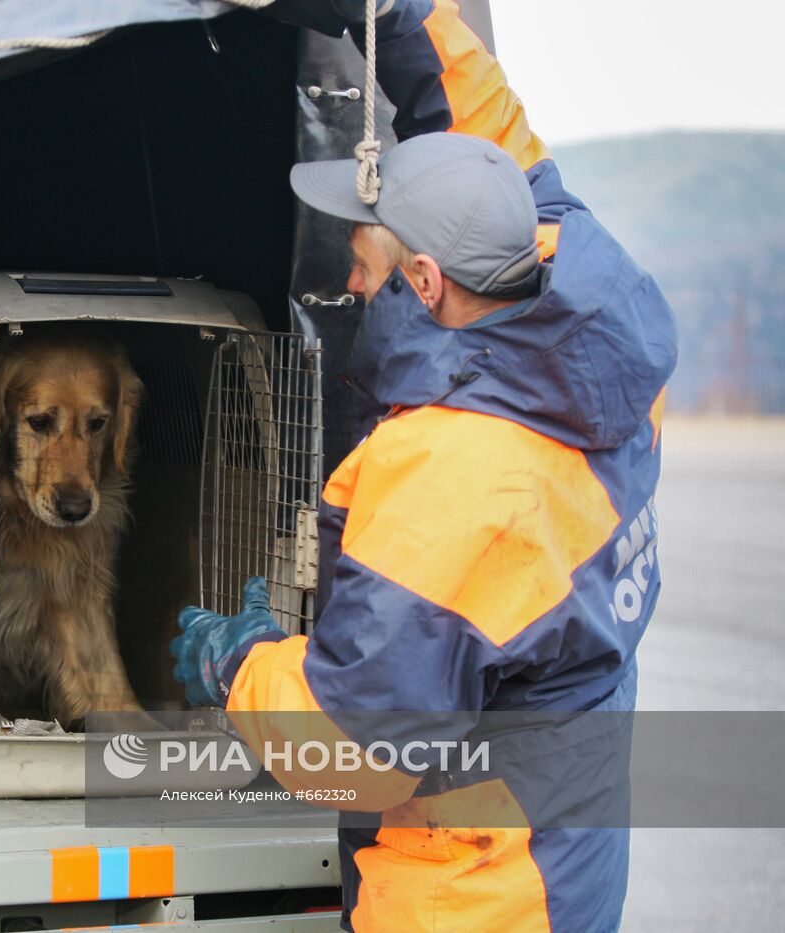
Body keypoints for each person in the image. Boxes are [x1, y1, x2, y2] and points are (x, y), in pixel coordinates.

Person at [170, 1, 677, 930]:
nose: (349, 277)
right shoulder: (599, 314)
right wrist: (398, 14)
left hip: (479, 895)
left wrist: (239, 661)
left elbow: (352, 745)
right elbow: (492, 137)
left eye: (361, 254)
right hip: (571, 844)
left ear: (428, 283)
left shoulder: (454, 478)